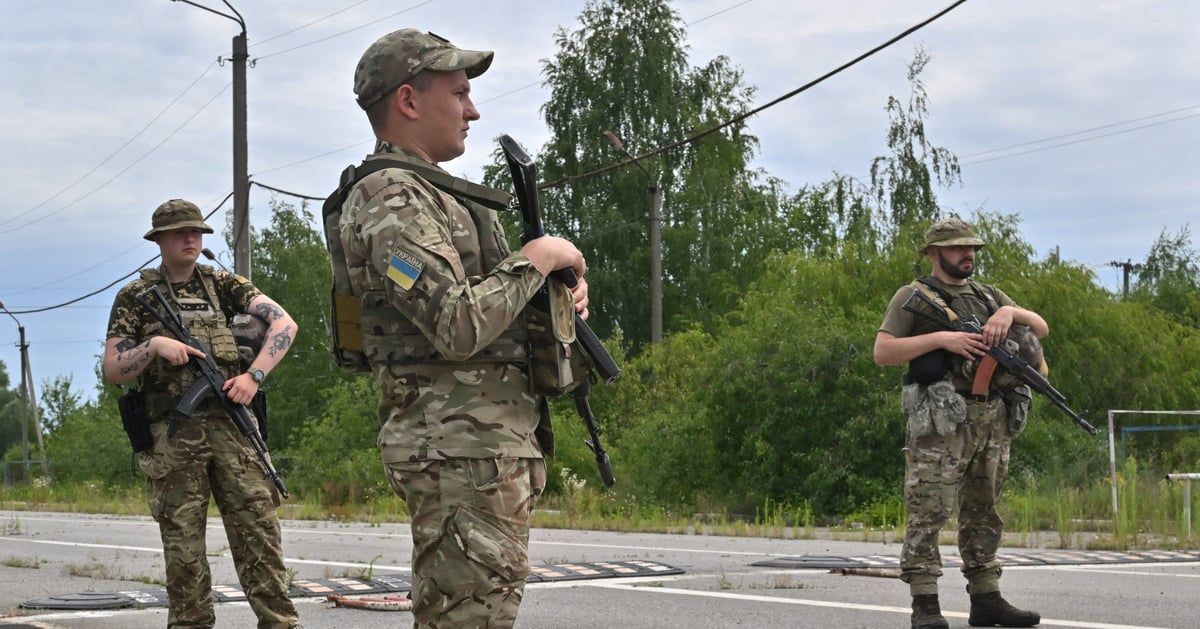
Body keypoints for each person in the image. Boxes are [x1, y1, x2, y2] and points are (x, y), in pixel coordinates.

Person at [334, 29, 589, 628]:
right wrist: (540, 258)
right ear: (409, 101)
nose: (473, 110)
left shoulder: (432, 194)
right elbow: (457, 320)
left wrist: (559, 290)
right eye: (459, 93)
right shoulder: (386, 199)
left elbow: (490, 304)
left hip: (481, 451)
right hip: (457, 453)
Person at [103, 199, 300, 629]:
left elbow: (285, 325)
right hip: (174, 435)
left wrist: (254, 376)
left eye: (196, 232)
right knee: (185, 549)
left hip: (233, 426)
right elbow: (114, 369)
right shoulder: (136, 297)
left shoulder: (224, 284)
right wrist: (153, 347)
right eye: (179, 233)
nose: (191, 239)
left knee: (259, 534)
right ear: (159, 241)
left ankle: (280, 623)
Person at [874, 218, 1046, 629]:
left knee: (983, 509)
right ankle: (925, 603)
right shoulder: (913, 296)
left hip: (991, 417)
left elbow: (1040, 327)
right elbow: (883, 351)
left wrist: (1009, 311)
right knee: (929, 509)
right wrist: (941, 340)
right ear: (934, 254)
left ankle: (986, 597)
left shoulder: (988, 296)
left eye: (971, 248)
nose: (967, 254)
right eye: (957, 248)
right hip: (941, 422)